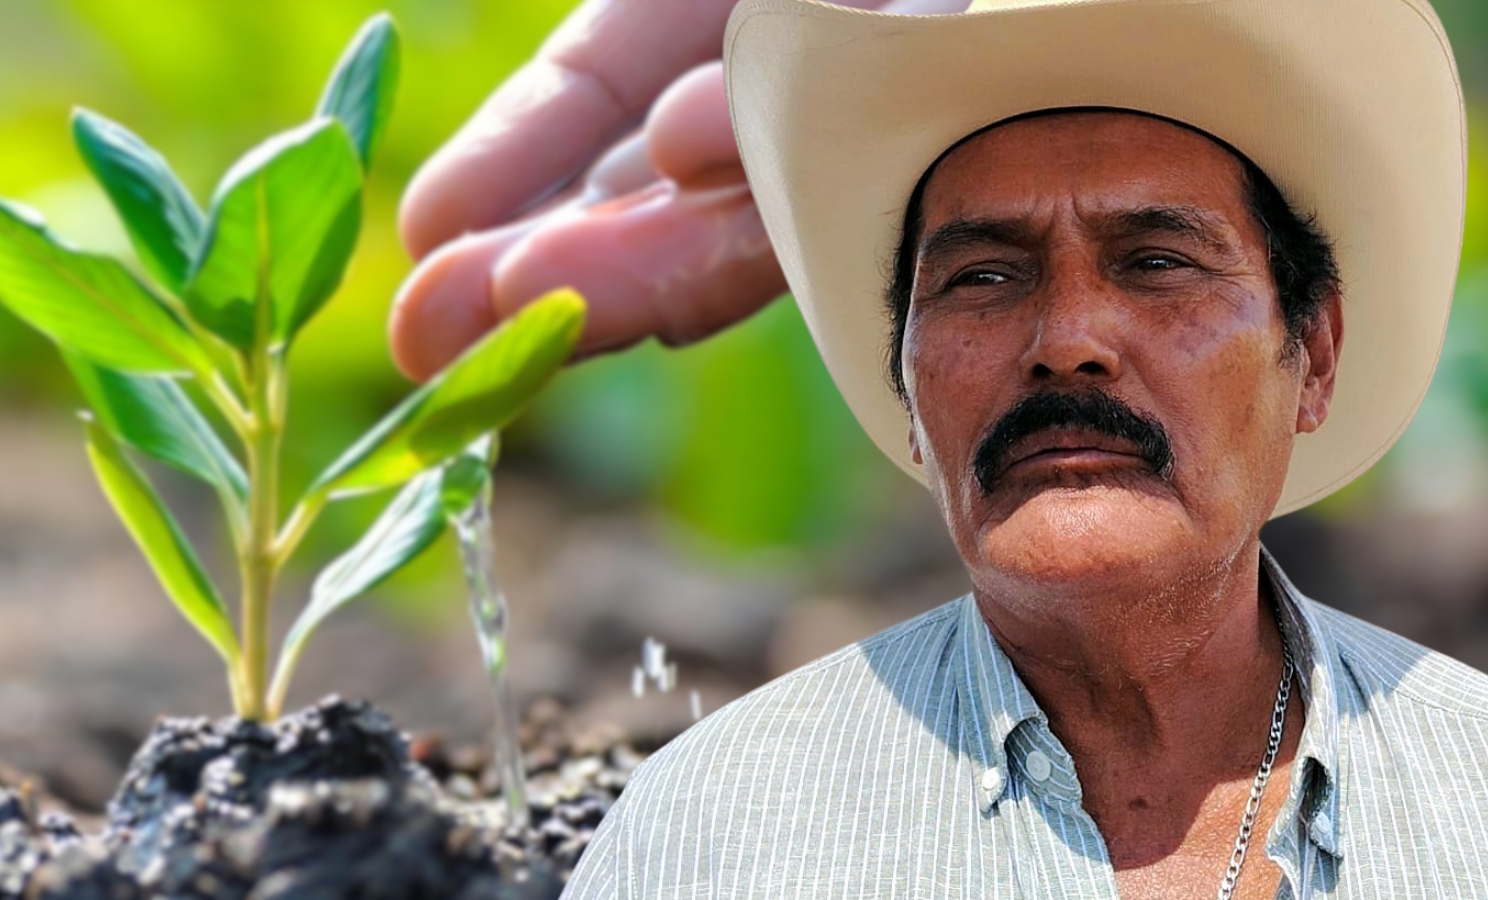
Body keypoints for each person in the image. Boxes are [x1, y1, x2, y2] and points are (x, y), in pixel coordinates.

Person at [396, 0, 1486, 897]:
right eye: (982, 278)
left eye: (1157, 261)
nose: (1066, 342)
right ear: (907, 395)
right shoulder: (714, 835)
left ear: (1315, 350)